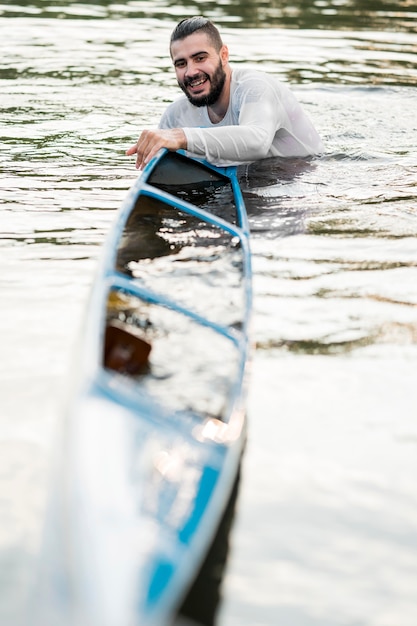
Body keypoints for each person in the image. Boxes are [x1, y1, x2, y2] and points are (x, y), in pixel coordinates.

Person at [126, 16, 323, 169]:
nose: (191, 72)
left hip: (303, 181)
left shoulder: (255, 88)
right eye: (181, 63)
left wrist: (182, 137)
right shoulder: (175, 117)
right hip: (245, 182)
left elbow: (256, 142)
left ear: (224, 55)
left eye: (200, 58)